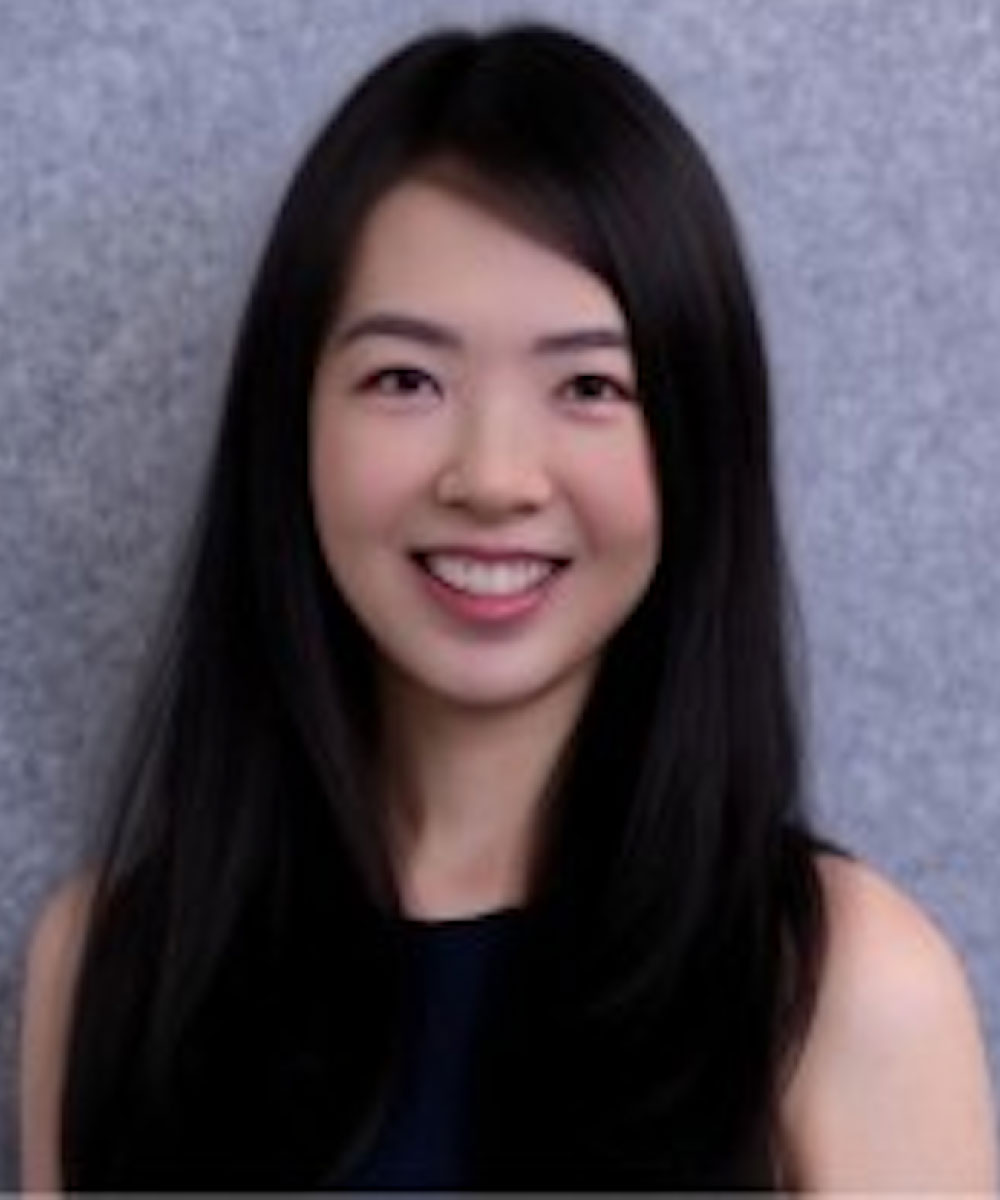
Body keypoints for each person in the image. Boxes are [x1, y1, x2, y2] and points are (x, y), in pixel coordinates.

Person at [19, 20, 997, 1192]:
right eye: (405, 379)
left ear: (697, 441)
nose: (491, 476)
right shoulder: (110, 969)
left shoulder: (844, 988)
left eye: (588, 385)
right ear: (291, 427)